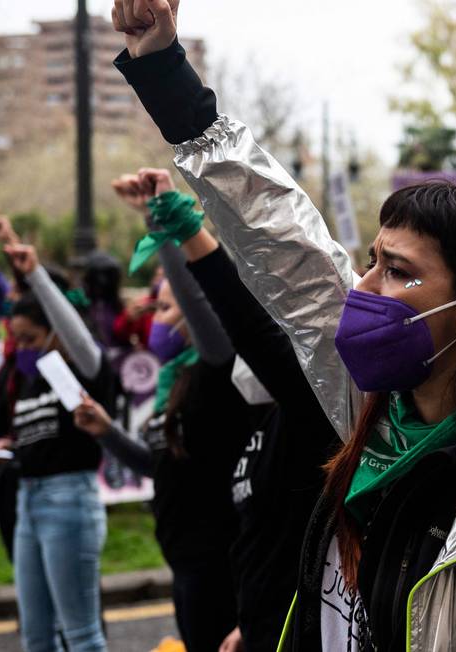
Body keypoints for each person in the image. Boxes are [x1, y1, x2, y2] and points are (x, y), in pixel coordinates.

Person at [108, 6, 456, 648]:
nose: (366, 289)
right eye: (372, 261)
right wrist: (162, 67)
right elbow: (290, 251)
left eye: (400, 272)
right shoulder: (378, 418)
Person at [121, 167, 342, 651]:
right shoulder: (253, 415)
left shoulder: (309, 412)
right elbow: (265, 545)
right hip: (248, 619)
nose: (157, 319)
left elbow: (239, 321)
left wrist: (176, 227)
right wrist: (249, 621)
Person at [73, 172, 259, 651]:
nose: (153, 319)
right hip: (183, 563)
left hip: (220, 566)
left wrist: (163, 222)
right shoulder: (173, 381)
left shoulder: (220, 369)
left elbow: (199, 295)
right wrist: (107, 433)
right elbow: (160, 463)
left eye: (164, 309)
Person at [0, 243, 119, 652]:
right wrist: (7, 445)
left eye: (30, 339)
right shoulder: (28, 377)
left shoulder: (82, 369)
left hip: (68, 500)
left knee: (81, 634)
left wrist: (35, 275)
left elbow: (77, 335)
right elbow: (40, 434)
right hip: (28, 500)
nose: (21, 348)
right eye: (16, 340)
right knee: (36, 637)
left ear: (55, 333)